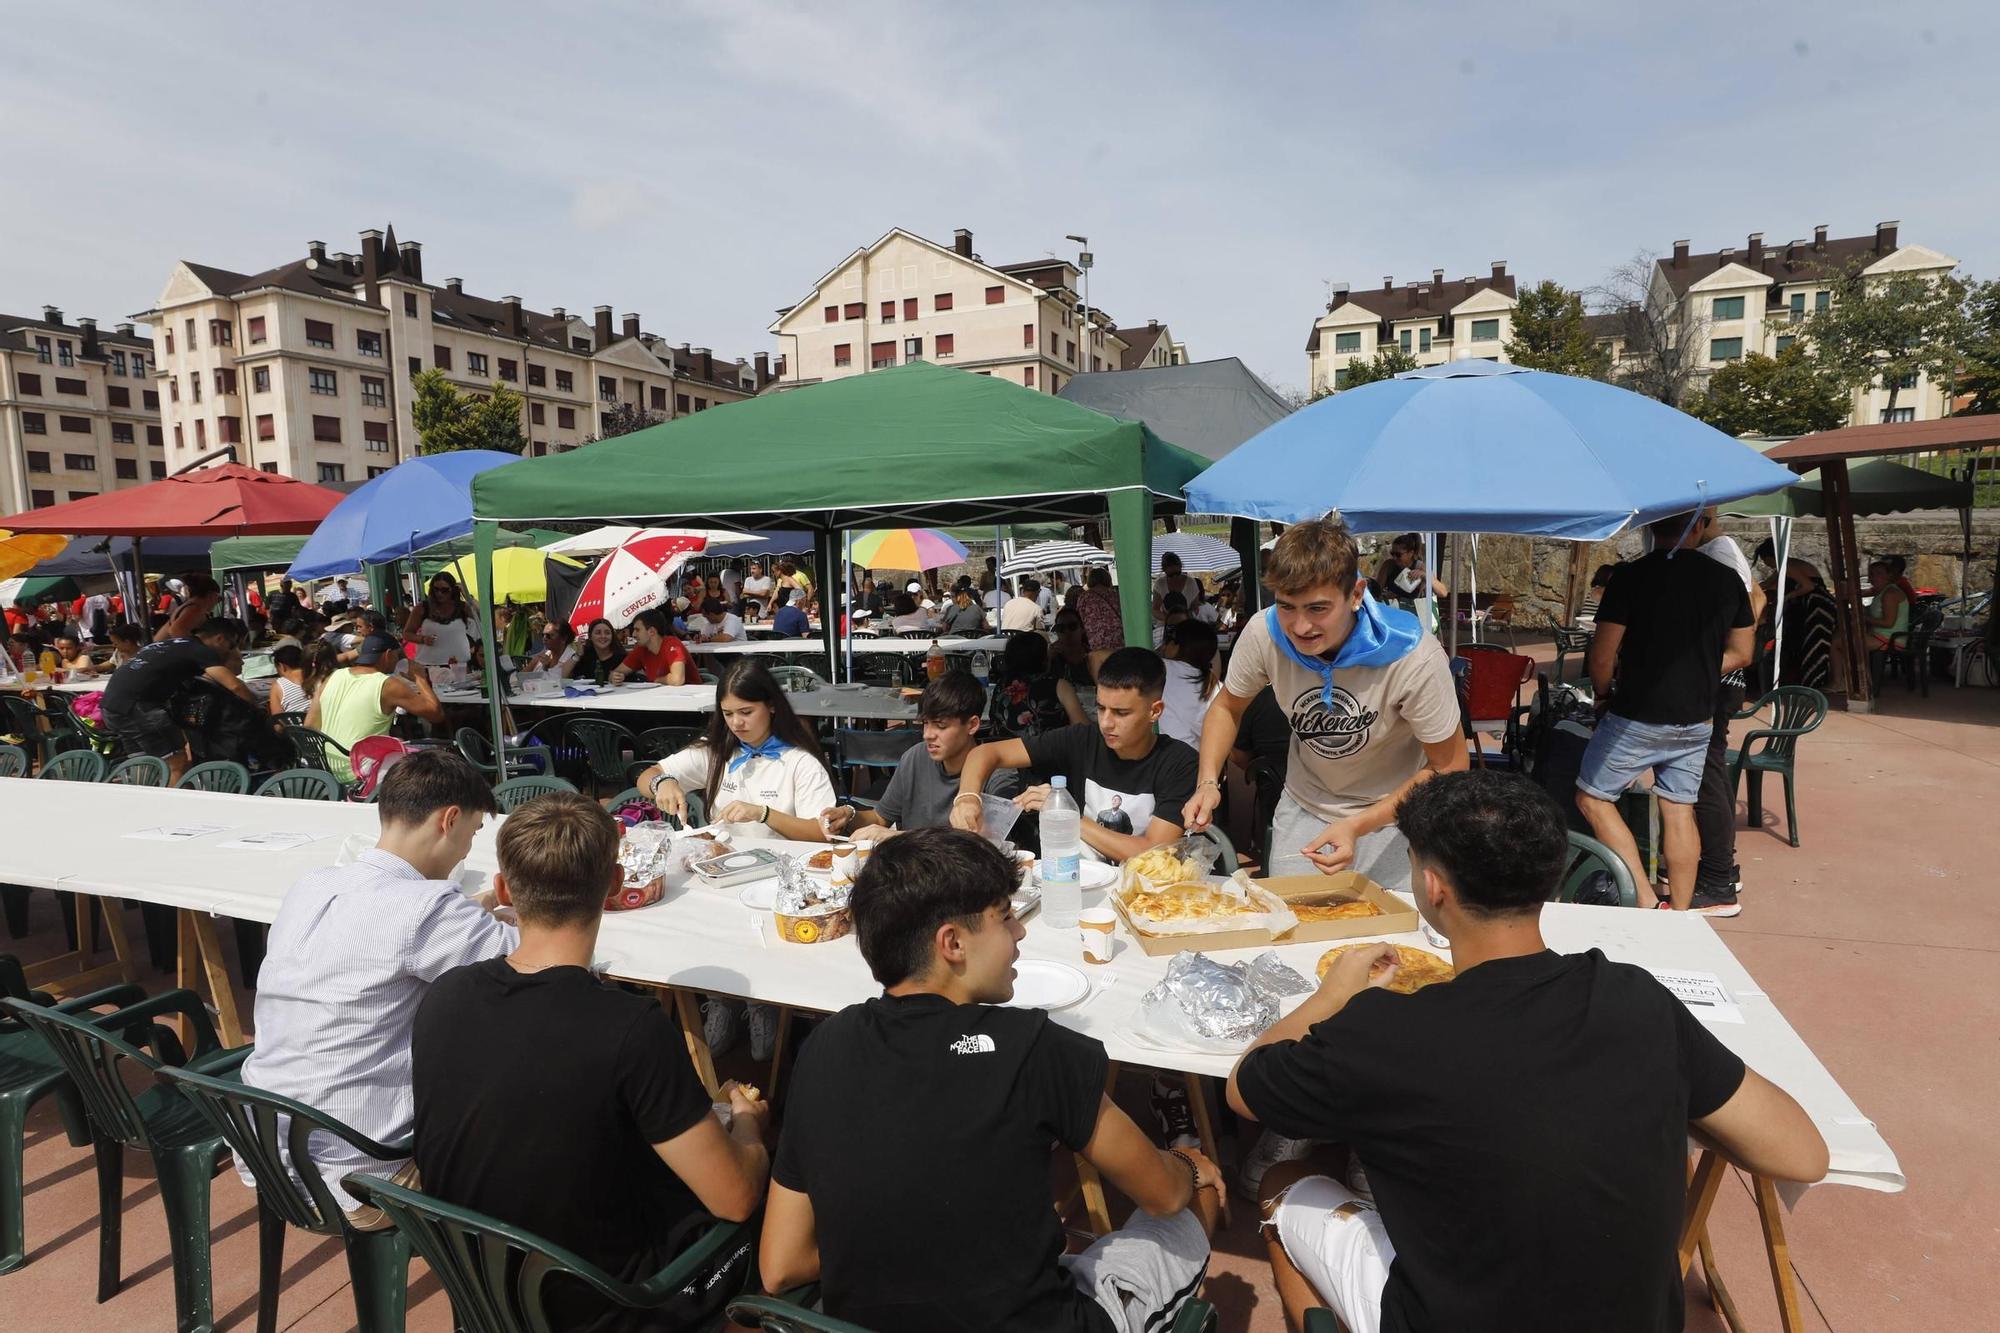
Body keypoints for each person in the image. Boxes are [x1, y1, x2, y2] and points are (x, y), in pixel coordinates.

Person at [1231, 770, 1828, 1333]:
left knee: (1283, 1177)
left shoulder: (1386, 1030)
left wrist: (1332, 994)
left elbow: (1244, 1087)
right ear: (1549, 877)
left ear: (1432, 885)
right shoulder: (1636, 1001)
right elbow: (1804, 1156)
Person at [758, 828, 1222, 1333]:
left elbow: (780, 1266)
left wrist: (905, 1251)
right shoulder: (1035, 1048)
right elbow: (1162, 1195)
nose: (1020, 933)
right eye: (1005, 918)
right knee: (1198, 1199)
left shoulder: (824, 1046)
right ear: (952, 943)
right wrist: (1188, 1164)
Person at [412, 791, 767, 1332]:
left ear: (504, 890)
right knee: (766, 1205)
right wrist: (749, 1126)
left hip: (482, 1291)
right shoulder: (631, 1029)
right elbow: (735, 1198)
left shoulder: (443, 996)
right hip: (612, 1302)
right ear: (615, 885)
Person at [238, 752, 512, 1223]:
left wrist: (475, 905)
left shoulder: (314, 884)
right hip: (362, 1174)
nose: (467, 850)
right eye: (471, 833)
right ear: (449, 820)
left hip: (265, 1153)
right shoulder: (428, 908)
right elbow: (538, 963)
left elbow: (398, 930)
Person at [1184, 514, 1465, 891]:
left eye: (1317, 608)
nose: (1300, 627)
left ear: (1355, 594)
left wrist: (1359, 825)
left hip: (1397, 818)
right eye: (1287, 606)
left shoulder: (1413, 655)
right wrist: (1207, 782)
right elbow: (1226, 707)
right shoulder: (1263, 634)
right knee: (1291, 935)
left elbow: (1449, 765)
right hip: (1305, 809)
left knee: (1393, 944)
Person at [632, 661, 837, 1059]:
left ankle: (763, 1005)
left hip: (777, 887)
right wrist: (664, 782)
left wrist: (763, 814)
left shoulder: (799, 763)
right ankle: (721, 998)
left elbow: (821, 833)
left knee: (763, 945)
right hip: (718, 879)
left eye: (747, 712)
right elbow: (648, 775)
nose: (737, 723)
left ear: (772, 707)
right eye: (728, 714)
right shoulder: (715, 754)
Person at [1574, 510, 1753, 913]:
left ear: (1652, 526)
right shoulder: (1726, 579)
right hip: (1697, 717)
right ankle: (1682, 912)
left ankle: (1643, 895)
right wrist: (1699, 668)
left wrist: (1603, 696)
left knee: (1593, 798)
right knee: (1678, 809)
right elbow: (1742, 652)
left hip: (1637, 713)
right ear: (1702, 525)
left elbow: (1601, 658)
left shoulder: (1630, 576)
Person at [955, 647, 1197, 865]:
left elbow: (1152, 852)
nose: (1106, 723)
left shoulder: (1179, 762)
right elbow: (986, 752)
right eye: (1101, 708)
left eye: (1121, 713)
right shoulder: (1083, 740)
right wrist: (967, 797)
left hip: (1150, 897)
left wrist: (1065, 814)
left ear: (1154, 711)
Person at [821, 672, 1021, 841]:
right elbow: (881, 819)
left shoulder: (999, 773)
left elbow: (983, 846)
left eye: (940, 726)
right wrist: (848, 815)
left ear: (972, 725)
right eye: (925, 723)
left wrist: (897, 837)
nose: (928, 734)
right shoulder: (915, 757)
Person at [1693, 512, 1766, 918]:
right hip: (1721, 672)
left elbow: (1751, 606)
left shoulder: (1718, 552)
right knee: (1709, 768)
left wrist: (1710, 656)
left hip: (1717, 677)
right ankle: (1720, 867)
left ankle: (1719, 877)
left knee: (1707, 771)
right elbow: (1758, 597)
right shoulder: (1726, 550)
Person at [99, 618, 259, 782]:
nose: (230, 651)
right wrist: (257, 709)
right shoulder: (202, 650)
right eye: (231, 645)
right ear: (220, 639)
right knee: (177, 764)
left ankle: (144, 801)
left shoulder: (172, 643)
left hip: (110, 706)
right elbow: (234, 686)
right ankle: (174, 805)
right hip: (138, 708)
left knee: (143, 765)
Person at [306, 633, 446, 784]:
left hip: (328, 767)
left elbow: (309, 725)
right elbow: (436, 714)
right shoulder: (387, 684)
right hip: (363, 770)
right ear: (388, 654)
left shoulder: (332, 676)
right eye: (396, 656)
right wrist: (420, 678)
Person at [985, 630, 1085, 741]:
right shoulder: (1059, 686)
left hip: (1004, 754)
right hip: (1049, 755)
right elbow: (1084, 730)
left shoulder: (1001, 687)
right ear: (1044, 658)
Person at [1158, 620, 1221, 751]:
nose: (1164, 645)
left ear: (1177, 646)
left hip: (1161, 760)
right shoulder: (1215, 685)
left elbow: (1102, 656)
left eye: (1169, 640)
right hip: (1196, 761)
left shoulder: (1158, 668)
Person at [401, 572, 479, 669]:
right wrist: (423, 639)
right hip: (430, 665)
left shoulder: (462, 607)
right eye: (436, 589)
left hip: (460, 665)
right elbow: (407, 633)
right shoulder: (422, 608)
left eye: (444, 590)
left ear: (453, 590)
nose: (439, 593)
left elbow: (481, 616)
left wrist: (468, 596)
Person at [609, 607, 698, 685]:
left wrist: (656, 680)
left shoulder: (672, 644)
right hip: (663, 699)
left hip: (692, 699)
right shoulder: (641, 649)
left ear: (652, 631)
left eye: (637, 630)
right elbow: (615, 673)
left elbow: (677, 679)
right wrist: (614, 677)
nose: (633, 634)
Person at [1371, 533, 1447, 610]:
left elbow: (1443, 593)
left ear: (1410, 553)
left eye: (1398, 554)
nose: (1394, 557)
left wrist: (1424, 575)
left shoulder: (1420, 567)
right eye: (1392, 553)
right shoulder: (1389, 565)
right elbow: (1377, 590)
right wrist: (1385, 595)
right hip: (1393, 610)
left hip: (1414, 612)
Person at [153, 573, 223, 642]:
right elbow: (176, 630)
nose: (217, 602)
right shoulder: (195, 609)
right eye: (218, 598)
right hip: (162, 651)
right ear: (210, 595)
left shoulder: (193, 606)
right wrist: (198, 649)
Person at [267, 642, 329, 716]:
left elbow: (278, 721)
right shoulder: (319, 676)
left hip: (296, 726)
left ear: (282, 666)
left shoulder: (278, 686)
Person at [1078, 566, 1125, 659]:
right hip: (1117, 640)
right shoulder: (1115, 594)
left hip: (1095, 643)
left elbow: (1080, 617)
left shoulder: (1084, 597)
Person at [1863, 559, 1909, 651]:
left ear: (1889, 575)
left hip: (1890, 640)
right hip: (1878, 635)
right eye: (1871, 574)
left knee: (1841, 642)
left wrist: (1863, 617)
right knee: (1841, 636)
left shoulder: (1890, 594)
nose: (1874, 577)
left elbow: (1888, 623)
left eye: (1879, 573)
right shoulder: (1881, 591)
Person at [565, 618, 624, 685]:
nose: (603, 636)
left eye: (607, 633)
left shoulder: (621, 657)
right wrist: (578, 654)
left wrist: (620, 678)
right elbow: (563, 676)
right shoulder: (585, 656)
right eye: (598, 633)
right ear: (590, 637)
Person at [1049, 608, 1095, 687]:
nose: (1067, 632)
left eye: (1072, 626)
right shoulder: (1052, 659)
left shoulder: (1093, 658)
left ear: (1082, 629)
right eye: (1061, 628)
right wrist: (1048, 659)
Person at [1152, 551, 1203, 621]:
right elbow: (1155, 610)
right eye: (1171, 575)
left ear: (1181, 567)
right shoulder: (1160, 584)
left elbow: (1195, 608)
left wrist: (1185, 618)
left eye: (1177, 573)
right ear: (1165, 571)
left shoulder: (1191, 583)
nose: (1175, 577)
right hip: (1165, 624)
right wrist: (1169, 619)